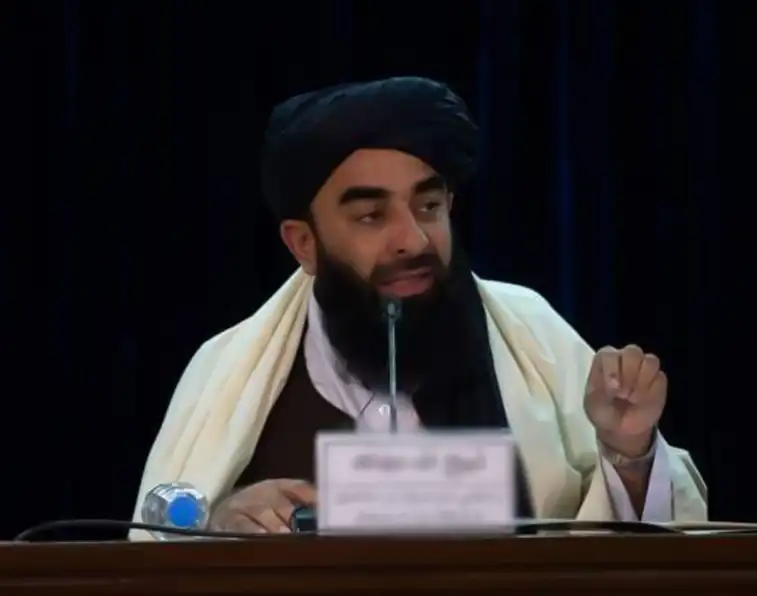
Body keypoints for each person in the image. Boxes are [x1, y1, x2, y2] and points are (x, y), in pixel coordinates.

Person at [129, 77, 706, 539]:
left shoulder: (531, 332)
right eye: (371, 216)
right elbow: (155, 544)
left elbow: (637, 548)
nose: (413, 240)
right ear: (303, 243)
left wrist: (629, 454)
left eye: (428, 206)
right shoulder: (228, 370)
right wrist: (219, 525)